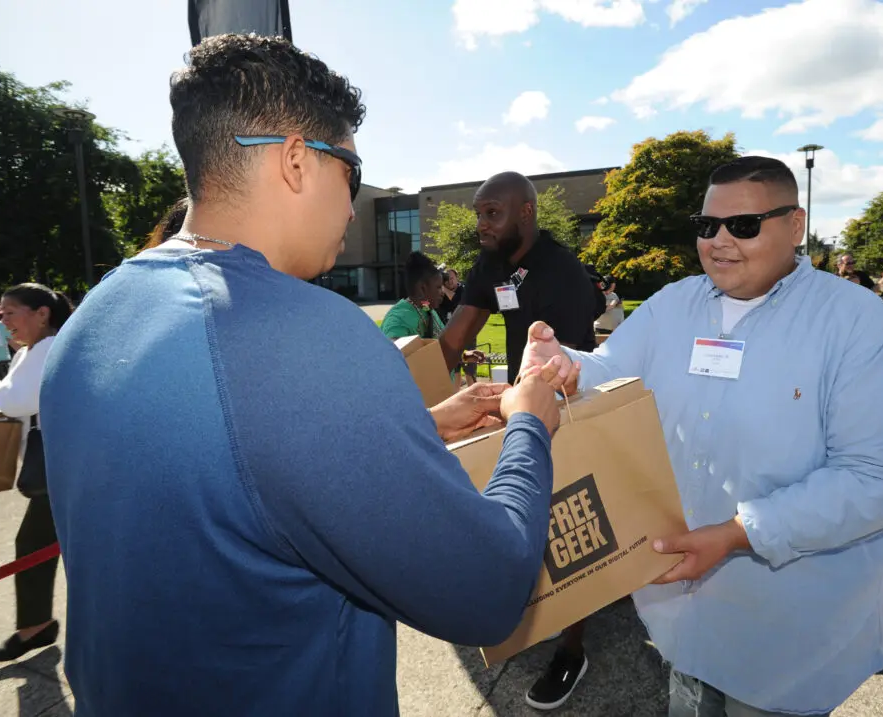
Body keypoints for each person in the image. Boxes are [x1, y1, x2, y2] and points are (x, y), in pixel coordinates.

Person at [39, 34, 561, 717]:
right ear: (293, 160)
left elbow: (225, 466)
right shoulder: (309, 334)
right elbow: (488, 589)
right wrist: (531, 422)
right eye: (350, 170)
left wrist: (418, 427)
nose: (351, 206)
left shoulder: (95, 314)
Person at [519, 156, 883, 715]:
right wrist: (564, 364)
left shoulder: (856, 323)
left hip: (788, 634)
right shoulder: (675, 303)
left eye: (742, 226)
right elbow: (609, 368)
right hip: (679, 616)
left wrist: (740, 533)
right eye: (706, 226)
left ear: (795, 226)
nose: (719, 241)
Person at [0, 283, 73, 662]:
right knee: (46, 547)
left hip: (65, 468)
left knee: (33, 547)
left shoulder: (47, 348)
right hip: (65, 466)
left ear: (42, 313)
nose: (2, 318)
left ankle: (36, 628)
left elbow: (16, 400)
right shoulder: (36, 349)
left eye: (11, 311)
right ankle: (38, 625)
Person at [439, 171, 599, 384]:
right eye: (479, 214)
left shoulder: (562, 271)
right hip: (522, 393)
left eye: (492, 213)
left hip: (570, 402)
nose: (480, 225)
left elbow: (554, 375)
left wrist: (512, 410)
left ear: (526, 212)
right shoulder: (491, 262)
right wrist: (416, 392)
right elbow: (455, 337)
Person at [381, 252, 446, 339]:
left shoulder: (426, 308)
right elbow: (393, 350)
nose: (442, 292)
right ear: (422, 288)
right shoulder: (398, 320)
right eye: (438, 287)